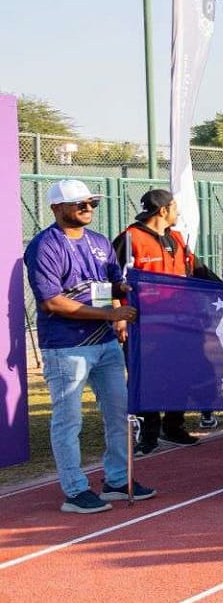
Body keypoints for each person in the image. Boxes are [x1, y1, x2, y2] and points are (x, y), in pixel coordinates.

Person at [26, 180, 149, 514]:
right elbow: (53, 302)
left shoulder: (98, 242)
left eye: (91, 203)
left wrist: (122, 298)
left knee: (119, 414)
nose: (88, 209)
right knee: (68, 420)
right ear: (57, 207)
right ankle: (75, 490)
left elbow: (110, 284)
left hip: (105, 343)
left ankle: (117, 479)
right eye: (80, 204)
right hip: (66, 347)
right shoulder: (44, 246)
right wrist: (110, 313)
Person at [113, 187, 218, 452]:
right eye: (174, 207)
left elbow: (199, 271)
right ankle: (147, 435)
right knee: (147, 378)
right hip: (144, 325)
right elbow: (112, 280)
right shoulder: (130, 238)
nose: (178, 211)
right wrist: (119, 316)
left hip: (181, 323)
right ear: (163, 210)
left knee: (180, 374)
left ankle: (173, 427)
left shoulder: (178, 238)